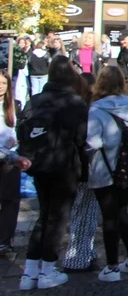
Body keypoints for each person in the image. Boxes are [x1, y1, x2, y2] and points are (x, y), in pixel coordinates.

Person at [16, 56, 87, 290]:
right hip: (64, 165)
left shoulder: (35, 100)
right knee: (58, 218)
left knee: (43, 216)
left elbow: (22, 129)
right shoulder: (74, 102)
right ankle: (47, 270)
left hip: (38, 165)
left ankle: (29, 272)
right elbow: (81, 138)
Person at [86, 66, 128, 283]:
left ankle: (112, 266)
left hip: (104, 169)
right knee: (122, 213)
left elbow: (92, 142)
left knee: (109, 217)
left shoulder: (96, 109)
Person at [62, 72, 98, 272]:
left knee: (83, 213)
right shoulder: (85, 110)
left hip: (70, 168)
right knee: (83, 213)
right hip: (83, 169)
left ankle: (86, 252)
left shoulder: (70, 107)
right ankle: (76, 258)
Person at [0, 71, 22, 255]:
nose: (0, 86)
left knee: (10, 199)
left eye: (3, 83)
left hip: (10, 158)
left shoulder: (14, 106)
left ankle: (6, 240)